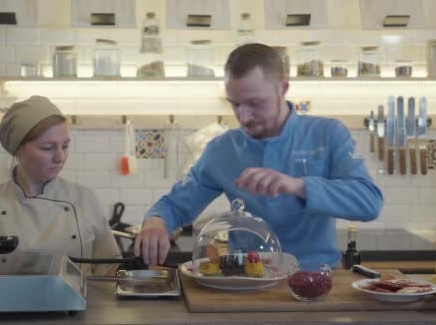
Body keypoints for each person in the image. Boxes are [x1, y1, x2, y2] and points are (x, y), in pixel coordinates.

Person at [135, 43, 383, 268]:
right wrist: (156, 222)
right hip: (246, 281)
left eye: (255, 103)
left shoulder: (327, 134)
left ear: (283, 88)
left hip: (315, 280)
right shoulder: (223, 149)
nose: (243, 117)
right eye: (235, 104)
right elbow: (176, 205)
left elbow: (369, 203)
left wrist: (297, 185)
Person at [0, 95, 121, 276]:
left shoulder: (84, 199)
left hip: (79, 303)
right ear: (18, 149)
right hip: (10, 304)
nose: (60, 158)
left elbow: (110, 268)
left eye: (65, 146)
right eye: (47, 148)